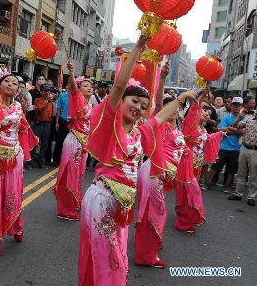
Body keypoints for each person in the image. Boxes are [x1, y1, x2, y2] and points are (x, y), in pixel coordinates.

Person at [78, 36, 194, 285]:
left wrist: (182, 99)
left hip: (123, 205)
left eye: (143, 105)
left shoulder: (139, 132)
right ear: (120, 102)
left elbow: (160, 116)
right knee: (109, 259)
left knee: (116, 256)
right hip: (103, 199)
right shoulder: (110, 125)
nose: (139, 108)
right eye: (134, 101)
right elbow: (119, 86)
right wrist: (139, 47)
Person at [0, 44, 38, 257]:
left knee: (13, 193)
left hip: (14, 155)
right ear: (0, 85)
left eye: (15, 83)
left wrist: (30, 142)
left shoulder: (19, 107)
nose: (12, 84)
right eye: (7, 81)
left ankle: (15, 225)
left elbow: (23, 128)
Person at [134, 62, 197, 269]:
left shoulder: (177, 130)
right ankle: (145, 255)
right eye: (172, 106)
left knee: (157, 212)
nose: (173, 110)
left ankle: (147, 249)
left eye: (176, 108)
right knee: (153, 212)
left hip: (161, 175)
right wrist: (162, 79)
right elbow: (159, 106)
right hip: (153, 172)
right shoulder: (159, 127)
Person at [174, 88, 224, 234]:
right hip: (187, 164)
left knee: (189, 194)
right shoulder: (190, 127)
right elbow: (194, 110)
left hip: (197, 166)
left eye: (208, 113)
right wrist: (201, 97)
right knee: (191, 193)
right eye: (204, 111)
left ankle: (188, 217)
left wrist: (221, 133)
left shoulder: (202, 129)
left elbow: (208, 139)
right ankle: (183, 222)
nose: (207, 114)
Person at [53, 71, 93, 221]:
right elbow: (73, 88)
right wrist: (71, 71)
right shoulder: (77, 99)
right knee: (70, 173)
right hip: (74, 141)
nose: (89, 88)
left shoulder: (89, 105)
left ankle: (75, 200)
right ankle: (65, 208)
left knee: (79, 174)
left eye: (91, 86)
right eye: (85, 85)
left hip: (84, 144)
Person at [203, 97, 243, 192]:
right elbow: (221, 130)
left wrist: (230, 129)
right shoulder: (226, 117)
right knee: (215, 166)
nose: (236, 107)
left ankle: (227, 185)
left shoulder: (244, 118)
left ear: (241, 107)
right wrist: (237, 131)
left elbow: (243, 131)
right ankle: (209, 182)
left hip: (237, 148)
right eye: (234, 105)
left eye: (238, 105)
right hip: (223, 146)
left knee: (232, 168)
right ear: (232, 106)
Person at [228, 106, 257, 206]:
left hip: (255, 151)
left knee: (254, 175)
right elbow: (235, 126)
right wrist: (240, 117)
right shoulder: (249, 120)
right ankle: (238, 193)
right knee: (241, 172)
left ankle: (251, 196)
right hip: (244, 148)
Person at [30, 84, 56, 169]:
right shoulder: (38, 100)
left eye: (48, 91)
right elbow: (39, 111)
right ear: (41, 92)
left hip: (47, 125)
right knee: (34, 143)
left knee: (44, 145)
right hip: (38, 124)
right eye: (45, 90)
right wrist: (47, 103)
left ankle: (40, 162)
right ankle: (31, 161)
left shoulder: (51, 103)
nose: (47, 92)